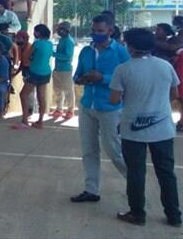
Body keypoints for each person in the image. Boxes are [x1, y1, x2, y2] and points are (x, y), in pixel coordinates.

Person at [109, 28, 181, 227]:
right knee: (166, 172)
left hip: (133, 128)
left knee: (136, 172)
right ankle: (174, 215)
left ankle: (138, 214)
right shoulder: (165, 66)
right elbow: (174, 94)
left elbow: (114, 99)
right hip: (162, 128)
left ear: (130, 46)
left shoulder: (123, 69)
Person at [69, 14, 129, 204]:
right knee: (88, 150)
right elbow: (77, 74)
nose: (96, 34)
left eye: (100, 31)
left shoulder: (120, 52)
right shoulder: (86, 51)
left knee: (113, 149)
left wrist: (101, 78)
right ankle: (91, 189)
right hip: (88, 104)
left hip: (110, 107)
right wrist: (81, 78)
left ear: (110, 31)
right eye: (94, 31)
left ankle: (135, 182)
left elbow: (127, 80)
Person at [13, 24, 53, 130]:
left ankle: (25, 120)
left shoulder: (37, 43)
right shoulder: (49, 44)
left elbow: (27, 56)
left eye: (36, 31)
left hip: (35, 71)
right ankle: (40, 121)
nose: (34, 33)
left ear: (39, 33)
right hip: (46, 72)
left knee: (23, 94)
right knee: (41, 97)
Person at [52, 21, 76, 120]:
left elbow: (67, 56)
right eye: (58, 29)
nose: (58, 31)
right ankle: (59, 109)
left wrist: (54, 54)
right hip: (57, 68)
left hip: (65, 70)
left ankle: (70, 111)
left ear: (66, 30)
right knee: (57, 90)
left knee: (68, 91)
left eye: (60, 29)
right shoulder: (62, 40)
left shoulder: (69, 41)